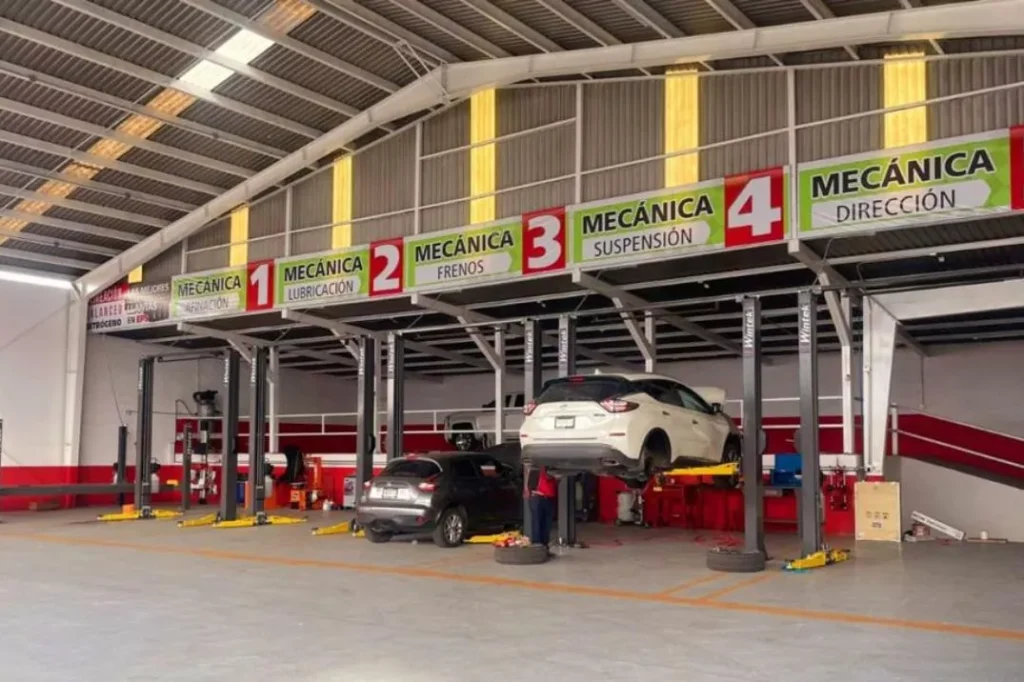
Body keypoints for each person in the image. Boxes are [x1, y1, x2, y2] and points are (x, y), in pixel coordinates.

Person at [525, 465, 557, 547]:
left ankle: (543, 547)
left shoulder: (546, 465)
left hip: (547, 496)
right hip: (538, 496)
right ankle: (538, 547)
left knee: (545, 525)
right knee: (538, 524)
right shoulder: (539, 465)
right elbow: (548, 476)